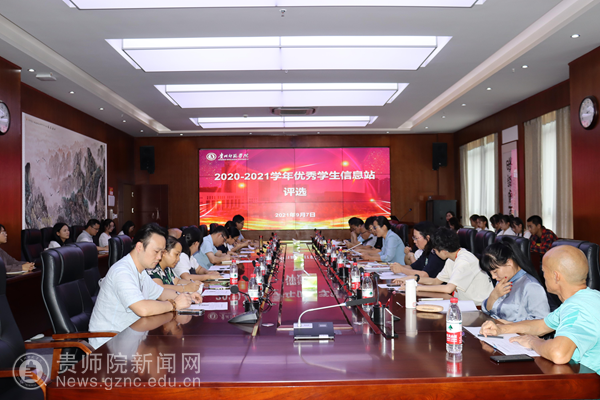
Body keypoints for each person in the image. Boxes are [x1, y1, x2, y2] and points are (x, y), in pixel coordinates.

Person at [480, 246, 600, 374]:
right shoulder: (588, 298)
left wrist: (533, 342)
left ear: (556, 276)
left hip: (588, 383)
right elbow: (541, 325)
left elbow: (559, 354)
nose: (543, 276)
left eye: (544, 271)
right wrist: (501, 329)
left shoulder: (578, 308)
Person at [89, 223, 202, 349]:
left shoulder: (141, 272)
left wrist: (186, 296)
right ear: (139, 247)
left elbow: (162, 293)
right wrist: (174, 304)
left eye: (162, 252)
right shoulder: (122, 272)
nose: (159, 257)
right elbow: (142, 308)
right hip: (109, 345)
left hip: (131, 339)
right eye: (156, 251)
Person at [396, 228, 493, 305]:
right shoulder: (452, 258)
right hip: (463, 303)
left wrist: (416, 288)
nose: (434, 253)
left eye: (435, 251)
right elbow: (436, 281)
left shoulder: (464, 261)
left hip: (477, 306)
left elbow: (448, 289)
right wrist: (414, 279)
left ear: (443, 251)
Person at [480, 241, 550, 321]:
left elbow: (541, 322)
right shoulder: (502, 280)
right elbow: (488, 312)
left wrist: (510, 325)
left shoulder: (531, 286)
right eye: (490, 273)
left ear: (509, 262)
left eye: (495, 272)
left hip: (511, 329)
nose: (493, 277)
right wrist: (493, 296)